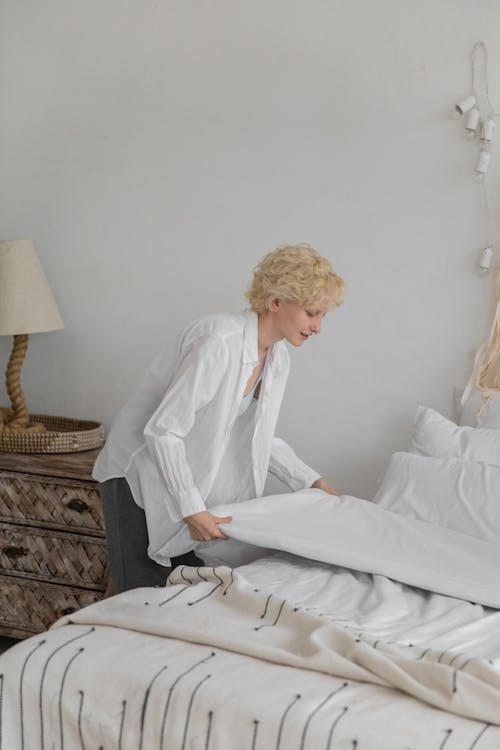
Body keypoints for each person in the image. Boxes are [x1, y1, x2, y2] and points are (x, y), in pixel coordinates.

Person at [93, 243, 345, 592]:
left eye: (323, 316)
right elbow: (163, 432)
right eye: (312, 313)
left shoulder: (277, 358)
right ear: (276, 302)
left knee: (177, 591)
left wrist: (309, 481)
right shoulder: (217, 341)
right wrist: (190, 508)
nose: (318, 327)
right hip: (138, 471)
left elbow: (258, 435)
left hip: (183, 475)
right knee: (138, 590)